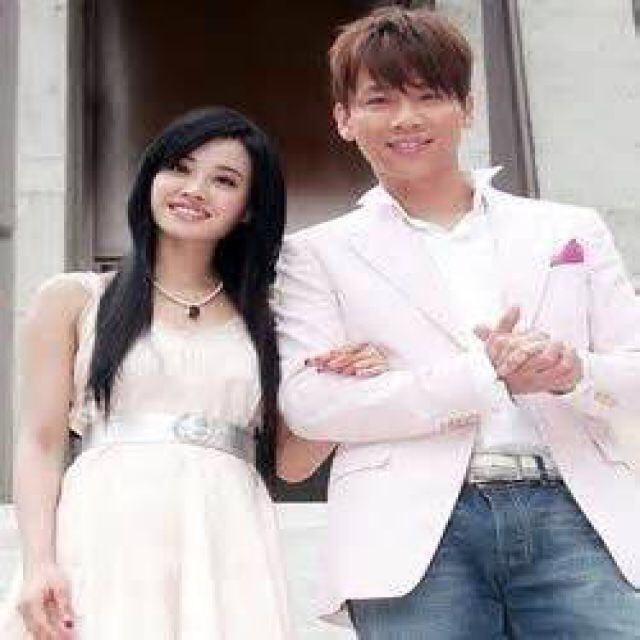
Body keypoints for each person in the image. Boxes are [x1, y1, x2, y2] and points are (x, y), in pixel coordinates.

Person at [274, 6, 640, 638]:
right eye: (380, 100)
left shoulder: (568, 228)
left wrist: (570, 371)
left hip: (577, 511)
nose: (406, 119)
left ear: (466, 108)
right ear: (344, 118)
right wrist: (478, 376)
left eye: (428, 96)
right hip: (409, 535)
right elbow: (310, 405)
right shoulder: (316, 254)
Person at [1, 107, 295, 639]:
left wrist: (351, 384)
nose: (194, 189)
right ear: (152, 177)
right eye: (179, 168)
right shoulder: (74, 299)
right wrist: (39, 562)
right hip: (105, 530)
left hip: (225, 536)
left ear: (250, 208)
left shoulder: (270, 320)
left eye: (224, 180)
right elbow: (40, 443)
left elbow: (292, 461)